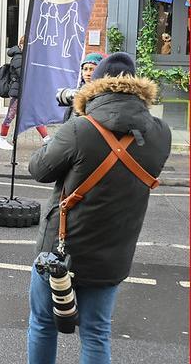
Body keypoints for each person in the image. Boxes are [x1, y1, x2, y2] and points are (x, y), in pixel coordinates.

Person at [27, 52, 171, 364]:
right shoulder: (161, 133)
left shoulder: (80, 129)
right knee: (96, 333)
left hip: (61, 248)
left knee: (43, 323)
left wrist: (55, 139)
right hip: (113, 254)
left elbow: (39, 169)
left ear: (94, 87)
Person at [0, 36, 51, 150]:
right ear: (21, 45)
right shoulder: (18, 58)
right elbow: (24, 75)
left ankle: (47, 139)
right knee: (10, 115)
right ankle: (2, 140)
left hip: (25, 92)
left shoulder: (24, 57)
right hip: (18, 93)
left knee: (34, 115)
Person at [62, 52, 104, 122]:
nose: (87, 73)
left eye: (92, 69)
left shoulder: (103, 94)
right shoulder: (77, 92)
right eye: (85, 69)